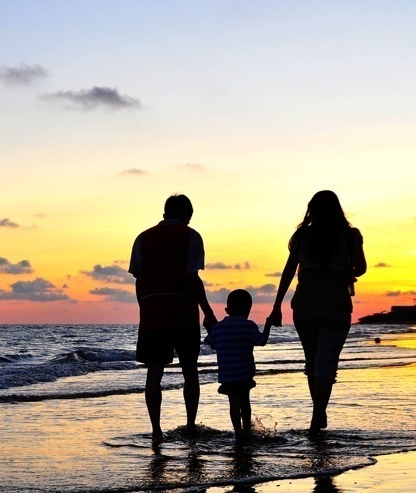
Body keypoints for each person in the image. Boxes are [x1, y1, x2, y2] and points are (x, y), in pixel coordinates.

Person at [266, 190, 366, 432]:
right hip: (336, 306)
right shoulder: (350, 235)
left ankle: (318, 413)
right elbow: (361, 267)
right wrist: (345, 271)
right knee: (326, 362)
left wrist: (277, 305)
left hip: (305, 306)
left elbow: (289, 271)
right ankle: (318, 413)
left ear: (312, 209)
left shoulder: (302, 235)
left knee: (312, 361)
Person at [128, 194, 217, 445]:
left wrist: (144, 308)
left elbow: (139, 279)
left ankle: (156, 430)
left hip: (153, 313)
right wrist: (207, 311)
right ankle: (190, 425)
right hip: (183, 311)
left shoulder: (142, 238)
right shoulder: (191, 236)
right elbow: (192, 278)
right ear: (187, 213)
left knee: (154, 373)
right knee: (190, 371)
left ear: (165, 211)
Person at [205, 289, 271, 441]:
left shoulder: (219, 327)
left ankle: (237, 432)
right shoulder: (248, 325)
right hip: (244, 373)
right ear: (248, 309)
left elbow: (212, 344)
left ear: (227, 309)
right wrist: (268, 325)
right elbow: (262, 341)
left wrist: (210, 327)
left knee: (233, 405)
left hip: (228, 375)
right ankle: (246, 429)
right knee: (245, 403)